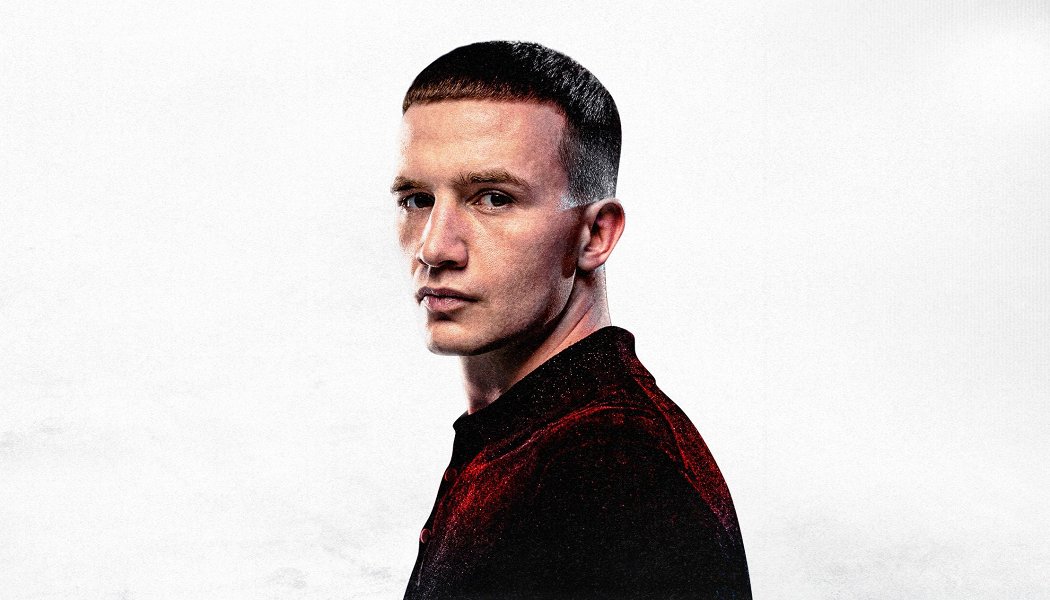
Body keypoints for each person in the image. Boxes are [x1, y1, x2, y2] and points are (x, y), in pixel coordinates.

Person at [391, 41, 751, 600]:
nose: (434, 247)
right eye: (417, 199)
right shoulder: (533, 442)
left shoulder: (610, 468)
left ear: (595, 235)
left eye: (493, 198)